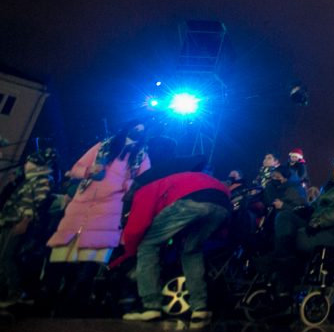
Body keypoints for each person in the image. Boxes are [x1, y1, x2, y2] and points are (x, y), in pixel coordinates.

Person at [112, 163, 231, 321]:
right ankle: (199, 308)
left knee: (147, 246)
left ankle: (150, 306)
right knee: (191, 250)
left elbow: (137, 227)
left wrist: (131, 249)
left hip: (190, 200)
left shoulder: (143, 190)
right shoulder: (177, 177)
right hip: (222, 202)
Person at [47, 121, 150, 263]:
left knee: (88, 261)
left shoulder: (142, 157)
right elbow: (75, 170)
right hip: (80, 206)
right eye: (136, 127)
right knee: (61, 256)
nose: (137, 131)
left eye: (142, 130)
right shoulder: (103, 146)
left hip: (109, 212)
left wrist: (128, 183)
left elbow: (143, 187)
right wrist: (88, 171)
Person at [274, 145, 334, 296]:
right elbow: (316, 206)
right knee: (285, 218)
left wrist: (321, 220)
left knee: (296, 238)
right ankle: (282, 277)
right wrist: (304, 210)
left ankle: (285, 286)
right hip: (317, 223)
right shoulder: (329, 186)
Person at [0, 152, 54, 304]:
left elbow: (36, 202)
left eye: (29, 162)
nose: (25, 165)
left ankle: (16, 292)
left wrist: (25, 220)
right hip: (9, 221)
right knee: (3, 257)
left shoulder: (42, 180)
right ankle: (6, 290)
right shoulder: (27, 180)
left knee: (6, 257)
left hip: (19, 222)